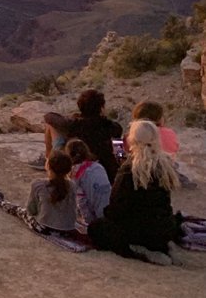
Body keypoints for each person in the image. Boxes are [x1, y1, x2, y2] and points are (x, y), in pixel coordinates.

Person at [87, 120, 181, 265]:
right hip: (164, 229)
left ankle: (137, 249)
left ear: (132, 140)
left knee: (96, 228)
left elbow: (116, 207)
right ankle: (162, 246)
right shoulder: (164, 165)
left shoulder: (129, 170)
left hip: (137, 231)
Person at [0, 151, 78, 239]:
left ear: (48, 166)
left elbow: (31, 210)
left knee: (18, 210)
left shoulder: (39, 185)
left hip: (45, 228)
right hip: (68, 230)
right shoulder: (72, 185)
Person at [42, 89, 121, 179]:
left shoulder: (74, 124)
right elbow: (119, 153)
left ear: (80, 106)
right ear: (101, 107)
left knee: (51, 126)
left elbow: (49, 117)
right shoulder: (114, 127)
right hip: (106, 173)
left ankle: (49, 161)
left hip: (76, 168)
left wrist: (71, 117)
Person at [66, 138, 111, 228]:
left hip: (97, 217)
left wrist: (88, 223)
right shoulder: (98, 166)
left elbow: (81, 200)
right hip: (110, 208)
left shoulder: (76, 173)